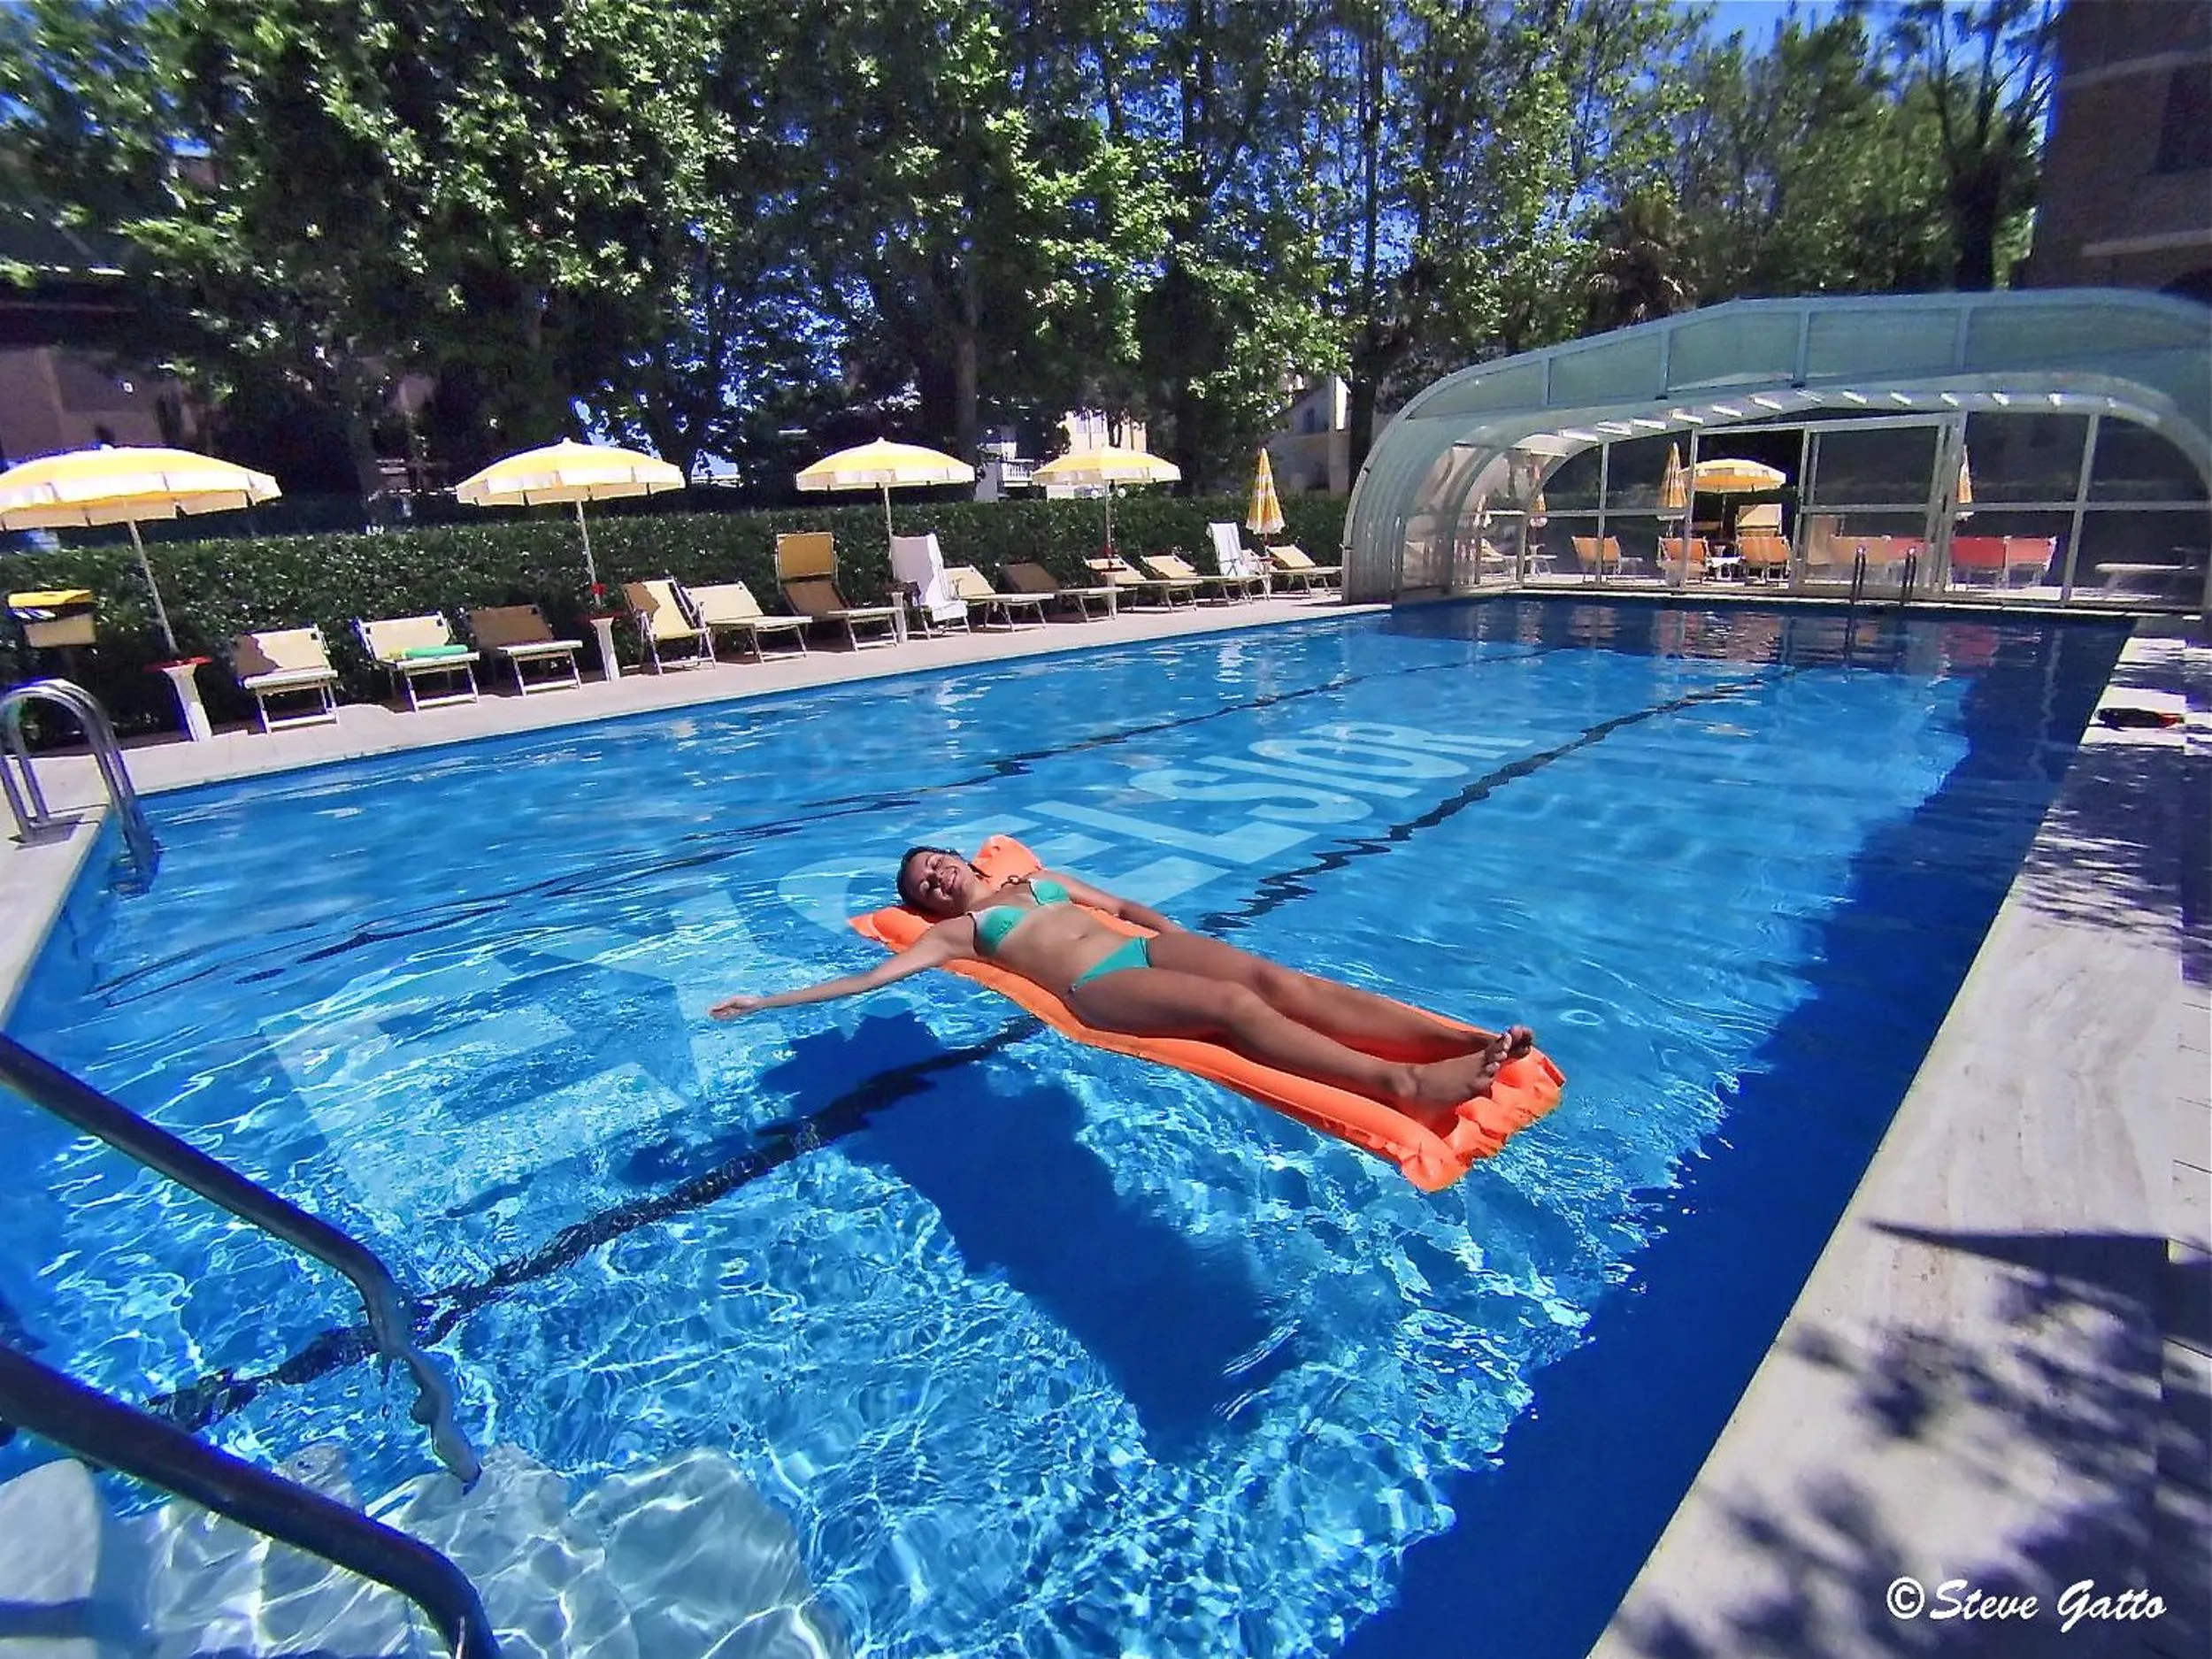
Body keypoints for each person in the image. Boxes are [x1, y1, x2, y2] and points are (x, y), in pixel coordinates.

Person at [710, 846, 1535, 1138]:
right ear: (926, 906)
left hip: (1144, 948)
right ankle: (1404, 1083)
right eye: (922, 884)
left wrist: (1170, 934)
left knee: (1279, 980)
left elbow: (1122, 906)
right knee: (1236, 1010)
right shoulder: (957, 933)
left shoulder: (1037, 878)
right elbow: (867, 978)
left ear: (960, 856)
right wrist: (764, 1003)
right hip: (1099, 986)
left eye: (936, 862)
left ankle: (1457, 1041)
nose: (934, 877)